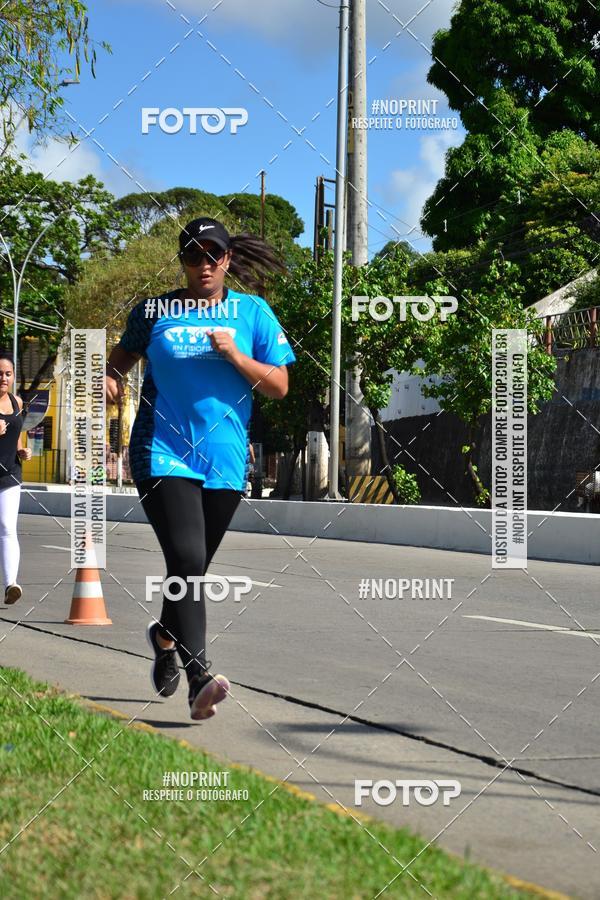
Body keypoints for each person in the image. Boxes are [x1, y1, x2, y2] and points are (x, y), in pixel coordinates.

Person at [105, 218, 295, 721]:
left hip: (225, 461)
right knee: (188, 559)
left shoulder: (252, 313)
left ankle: (165, 637)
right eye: (193, 255)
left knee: (190, 568)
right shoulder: (154, 312)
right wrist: (108, 379)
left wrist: (235, 355)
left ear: (227, 259)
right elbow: (117, 362)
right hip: (161, 450)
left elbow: (279, 386)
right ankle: (199, 679)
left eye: (213, 254)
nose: (204, 264)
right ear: (183, 261)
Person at [0, 353, 33, 604]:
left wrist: (22, 450)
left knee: (7, 527)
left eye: (8, 374)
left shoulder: (17, 402)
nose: (3, 378)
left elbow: (17, 432)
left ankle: (11, 584)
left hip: (10, 473)